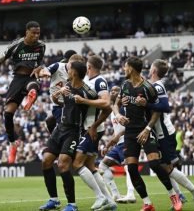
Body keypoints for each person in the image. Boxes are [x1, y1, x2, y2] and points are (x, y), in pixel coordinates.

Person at [113, 56, 182, 211]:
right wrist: (118, 115)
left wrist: (148, 129)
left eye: (125, 67)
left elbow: (157, 110)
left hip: (144, 130)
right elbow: (115, 104)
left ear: (130, 68)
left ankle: (174, 196)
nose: (124, 69)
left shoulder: (148, 87)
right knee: (131, 169)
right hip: (130, 132)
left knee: (155, 164)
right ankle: (147, 203)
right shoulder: (124, 85)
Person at [135, 59, 194, 209]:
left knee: (166, 168)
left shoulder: (158, 86)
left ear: (154, 70)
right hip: (158, 132)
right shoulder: (151, 85)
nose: (149, 69)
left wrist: (146, 104)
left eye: (150, 67)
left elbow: (165, 107)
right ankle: (180, 196)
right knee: (165, 168)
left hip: (164, 132)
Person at [39, 61, 97, 211]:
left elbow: (104, 104)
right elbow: (55, 100)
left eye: (70, 69)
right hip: (60, 128)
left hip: (73, 131)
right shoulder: (67, 86)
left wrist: (93, 123)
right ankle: (54, 200)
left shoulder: (86, 90)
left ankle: (72, 204)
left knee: (63, 164)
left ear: (74, 73)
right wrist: (58, 93)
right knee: (46, 161)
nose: (67, 71)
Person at [0, 21, 46, 155]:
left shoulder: (41, 46)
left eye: (38, 33)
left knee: (33, 84)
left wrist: (39, 67)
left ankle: (32, 93)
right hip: (17, 79)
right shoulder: (17, 45)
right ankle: (12, 142)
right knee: (8, 113)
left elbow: (40, 63)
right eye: (33, 33)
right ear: (26, 32)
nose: (36, 36)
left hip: (31, 77)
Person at [71, 55, 116, 210]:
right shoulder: (88, 82)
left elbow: (106, 104)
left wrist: (94, 124)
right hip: (88, 128)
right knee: (90, 165)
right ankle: (110, 201)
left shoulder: (99, 81)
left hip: (92, 129)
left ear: (89, 67)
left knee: (77, 163)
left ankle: (100, 196)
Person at [100, 85, 136, 204]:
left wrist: (115, 138)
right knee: (103, 165)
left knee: (128, 166)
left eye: (117, 90)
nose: (113, 92)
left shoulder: (127, 108)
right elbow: (116, 131)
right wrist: (109, 144)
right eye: (112, 90)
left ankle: (131, 194)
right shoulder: (112, 111)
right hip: (118, 144)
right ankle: (115, 194)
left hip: (128, 141)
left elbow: (133, 126)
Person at [43, 49, 77, 133]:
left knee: (64, 130)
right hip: (58, 104)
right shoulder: (58, 66)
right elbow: (45, 71)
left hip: (69, 105)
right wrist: (44, 73)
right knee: (50, 122)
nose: (65, 62)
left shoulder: (77, 72)